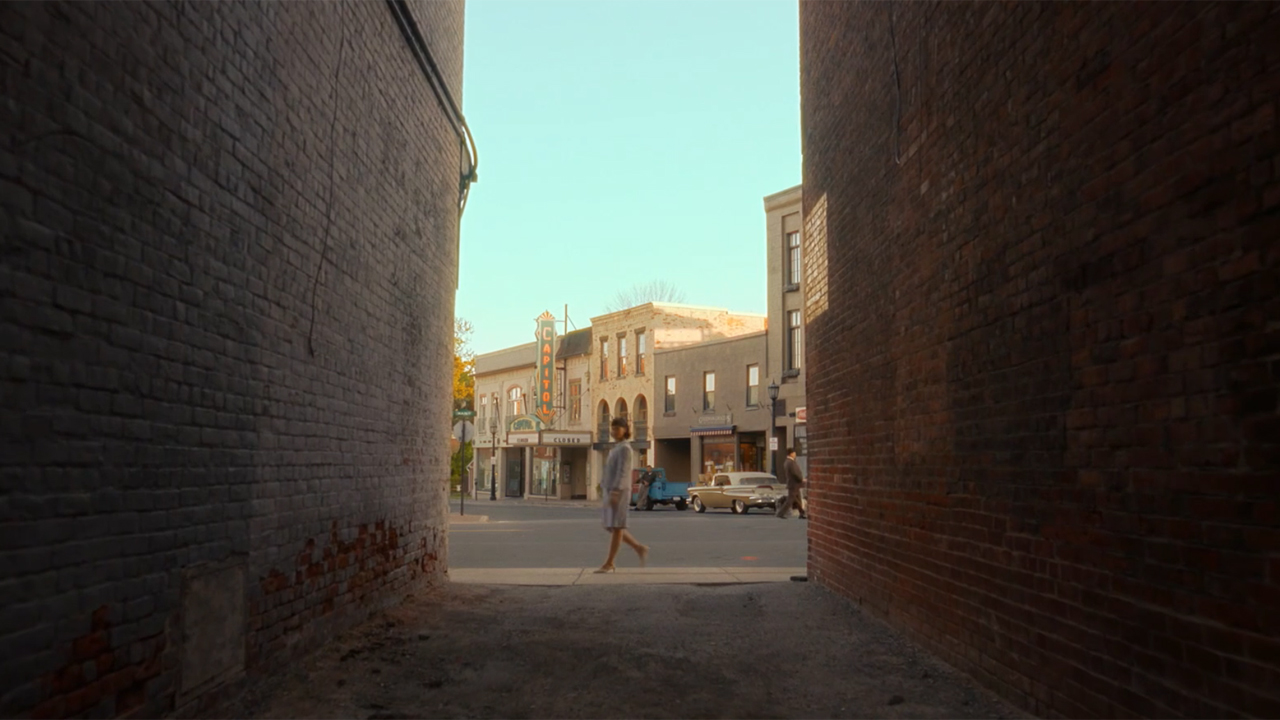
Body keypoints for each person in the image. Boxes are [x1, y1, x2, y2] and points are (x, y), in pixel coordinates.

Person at [596, 417, 649, 573]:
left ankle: (610, 562)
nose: (614, 431)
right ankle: (639, 548)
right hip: (610, 489)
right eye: (612, 428)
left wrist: (615, 491)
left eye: (617, 428)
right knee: (611, 526)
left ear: (625, 430)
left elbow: (623, 471)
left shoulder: (625, 448)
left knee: (617, 526)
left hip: (618, 491)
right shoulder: (616, 448)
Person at [775, 447, 808, 520]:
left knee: (798, 499)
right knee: (790, 500)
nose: (795, 454)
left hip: (794, 484)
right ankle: (780, 513)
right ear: (791, 453)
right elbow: (795, 473)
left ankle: (802, 513)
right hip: (794, 484)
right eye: (794, 453)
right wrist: (801, 479)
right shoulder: (790, 462)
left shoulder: (787, 462)